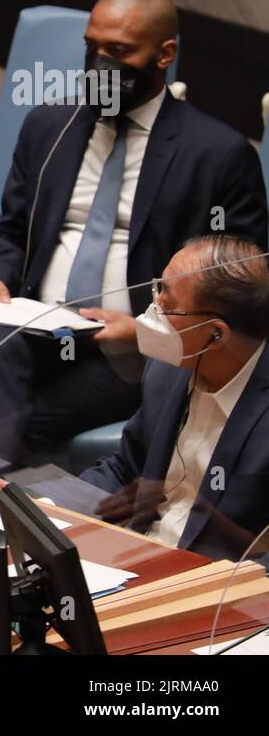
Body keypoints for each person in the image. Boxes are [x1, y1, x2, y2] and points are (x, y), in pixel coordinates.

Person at [0, 0, 268, 464]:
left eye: (119, 52)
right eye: (92, 48)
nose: (100, 64)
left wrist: (148, 329)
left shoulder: (218, 154)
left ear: (164, 54)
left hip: (134, 351)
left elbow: (238, 288)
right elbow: (10, 227)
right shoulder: (50, 125)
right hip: (39, 326)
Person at [79, 236, 269, 562]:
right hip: (130, 555)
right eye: (158, 288)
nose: (154, 308)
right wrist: (46, 507)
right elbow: (126, 469)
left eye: (167, 298)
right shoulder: (167, 369)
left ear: (215, 333)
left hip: (211, 588)